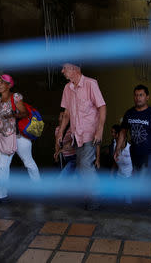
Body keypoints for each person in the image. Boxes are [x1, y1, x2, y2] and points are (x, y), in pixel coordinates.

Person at [56, 63, 106, 210]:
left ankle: (95, 196)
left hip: (91, 133)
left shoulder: (91, 84)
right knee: (82, 165)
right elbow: (66, 113)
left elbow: (102, 106)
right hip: (76, 135)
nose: (62, 71)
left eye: (65, 67)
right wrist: (61, 132)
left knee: (85, 164)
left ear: (75, 69)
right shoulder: (67, 88)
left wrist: (100, 130)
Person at [0, 74, 40, 204]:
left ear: (9, 85)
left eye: (2, 82)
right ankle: (1, 196)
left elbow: (24, 113)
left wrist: (12, 114)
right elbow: (1, 121)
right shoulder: (0, 100)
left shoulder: (15, 97)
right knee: (2, 167)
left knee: (29, 163)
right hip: (5, 138)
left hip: (18, 136)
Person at [114, 85, 151, 177]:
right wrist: (118, 148)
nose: (138, 98)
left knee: (143, 179)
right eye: (136, 95)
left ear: (147, 97)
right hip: (135, 154)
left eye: (141, 95)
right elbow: (123, 132)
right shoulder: (129, 113)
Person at [54, 110, 77, 177]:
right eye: (61, 116)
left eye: (64, 116)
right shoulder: (57, 129)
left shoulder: (72, 129)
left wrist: (62, 149)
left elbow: (74, 142)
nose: (62, 117)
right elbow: (57, 143)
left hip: (73, 157)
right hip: (63, 157)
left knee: (63, 176)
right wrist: (56, 153)